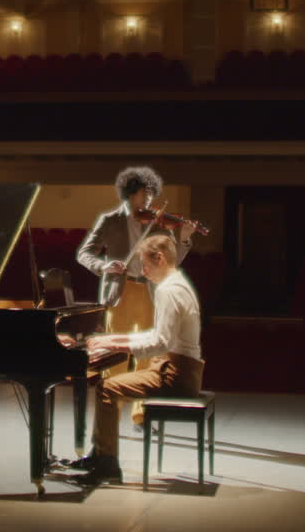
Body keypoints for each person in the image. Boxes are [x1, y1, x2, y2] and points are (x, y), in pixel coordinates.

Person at [72, 234, 204, 485]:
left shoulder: (167, 291)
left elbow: (160, 343)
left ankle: (107, 464)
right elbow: (158, 335)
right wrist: (114, 340)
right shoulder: (179, 283)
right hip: (182, 368)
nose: (142, 272)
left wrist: (116, 344)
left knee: (106, 388)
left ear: (160, 259)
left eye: (145, 264)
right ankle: (101, 456)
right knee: (110, 385)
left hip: (176, 373)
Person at [76, 166, 193, 424]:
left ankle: (141, 413)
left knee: (148, 353)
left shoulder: (156, 222)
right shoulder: (110, 220)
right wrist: (104, 266)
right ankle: (111, 409)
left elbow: (172, 261)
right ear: (130, 193)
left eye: (152, 194)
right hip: (121, 291)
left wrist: (183, 239)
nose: (149, 199)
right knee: (115, 356)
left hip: (149, 290)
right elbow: (84, 253)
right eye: (144, 193)